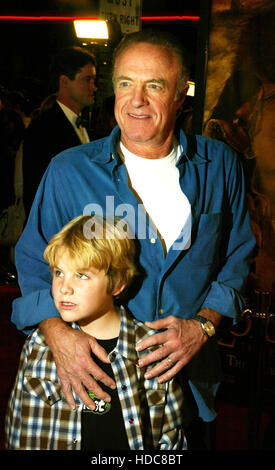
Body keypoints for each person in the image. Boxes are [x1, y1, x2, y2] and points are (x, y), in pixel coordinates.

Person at [12, 30, 256, 449]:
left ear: (181, 95)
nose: (136, 100)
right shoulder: (70, 170)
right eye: (126, 83)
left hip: (190, 380)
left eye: (154, 86)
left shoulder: (221, 166)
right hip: (96, 375)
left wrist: (204, 326)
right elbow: (34, 260)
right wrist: (58, 334)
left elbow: (237, 258)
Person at [5, 215, 186, 450]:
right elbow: (17, 431)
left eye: (81, 275)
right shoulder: (39, 345)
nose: (64, 288)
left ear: (117, 283)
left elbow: (170, 439)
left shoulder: (151, 350)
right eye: (59, 272)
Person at [22, 46, 97, 215]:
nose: (94, 87)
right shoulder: (42, 129)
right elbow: (36, 193)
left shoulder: (88, 128)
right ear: (64, 82)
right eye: (88, 80)